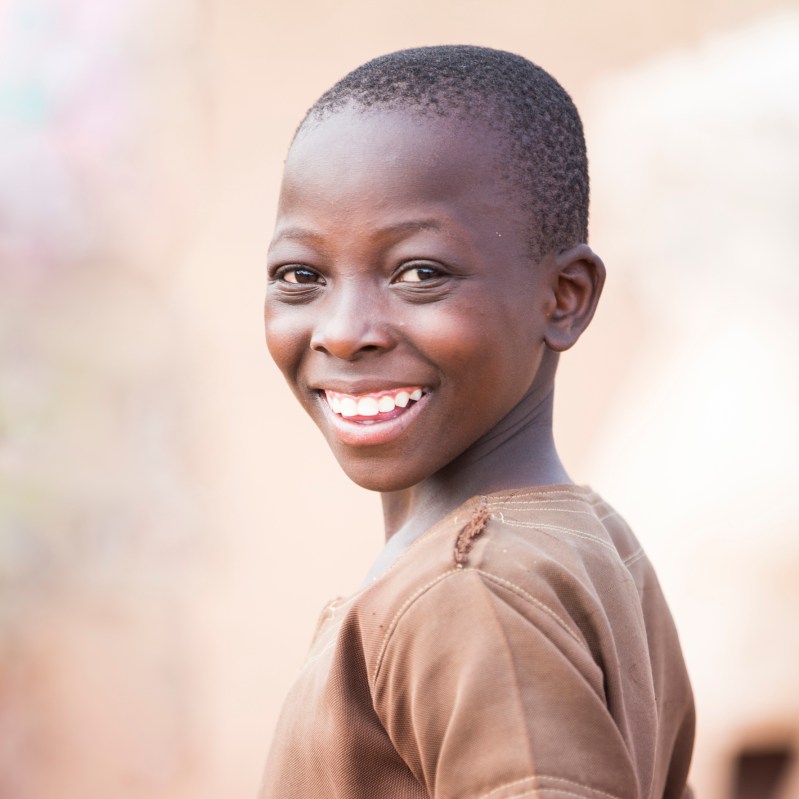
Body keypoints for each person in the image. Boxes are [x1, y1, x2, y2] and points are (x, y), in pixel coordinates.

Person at [260, 45, 695, 799]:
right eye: (302, 276)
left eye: (419, 273)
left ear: (562, 296)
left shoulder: (471, 588)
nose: (341, 330)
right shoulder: (589, 541)